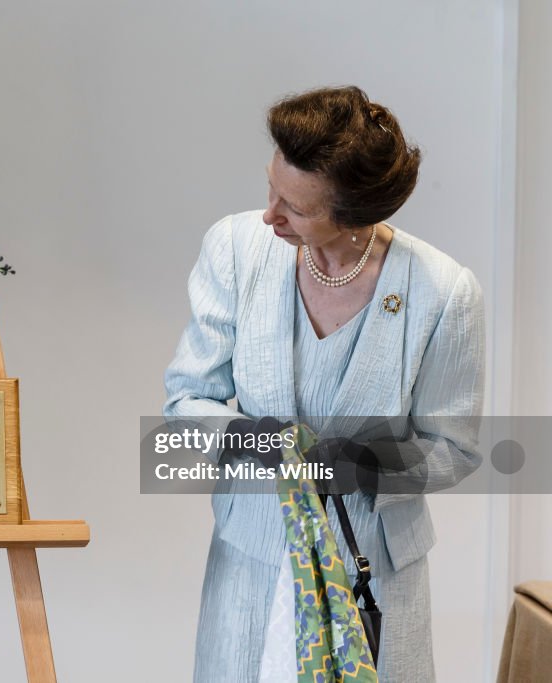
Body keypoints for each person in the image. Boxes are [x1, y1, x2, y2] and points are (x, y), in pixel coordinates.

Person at [163, 86, 485, 682]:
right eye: (271, 188)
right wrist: (249, 439)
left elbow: (455, 446)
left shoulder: (443, 292)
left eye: (297, 207)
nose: (270, 215)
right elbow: (187, 399)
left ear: (356, 213)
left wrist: (367, 463)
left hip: (376, 570)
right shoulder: (235, 248)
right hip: (254, 554)